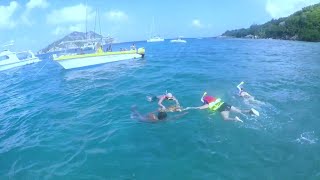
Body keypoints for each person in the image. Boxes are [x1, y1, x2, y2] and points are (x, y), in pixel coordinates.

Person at [184, 92, 259, 122]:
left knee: (225, 119)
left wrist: (189, 108)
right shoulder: (214, 99)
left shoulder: (207, 105)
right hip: (226, 105)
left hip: (222, 109)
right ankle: (250, 111)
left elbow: (199, 108)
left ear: (205, 101)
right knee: (239, 111)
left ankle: (235, 119)